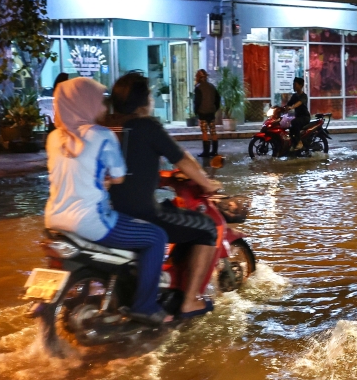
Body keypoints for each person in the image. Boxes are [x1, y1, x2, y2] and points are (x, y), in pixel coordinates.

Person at [44, 77, 170, 325]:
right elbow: (120, 176)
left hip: (53, 221)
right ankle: (145, 307)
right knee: (156, 237)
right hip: (91, 220)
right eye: (100, 103)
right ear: (84, 104)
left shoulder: (53, 138)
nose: (104, 110)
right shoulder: (102, 136)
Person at [106, 73, 223, 319]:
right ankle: (190, 301)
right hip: (144, 214)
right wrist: (207, 183)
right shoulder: (147, 126)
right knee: (208, 228)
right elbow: (182, 159)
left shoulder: (107, 125)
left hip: (108, 215)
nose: (151, 99)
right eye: (149, 95)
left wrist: (159, 177)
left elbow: (129, 166)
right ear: (142, 101)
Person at [193, 69, 221, 158]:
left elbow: (197, 101)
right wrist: (215, 108)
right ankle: (214, 151)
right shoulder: (212, 86)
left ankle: (206, 152)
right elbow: (218, 99)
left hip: (202, 112)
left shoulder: (198, 87)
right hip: (211, 112)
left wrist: (196, 111)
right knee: (213, 131)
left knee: (204, 131)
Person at [282, 77, 310, 150]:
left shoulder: (304, 96)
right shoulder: (295, 96)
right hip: (298, 117)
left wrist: (292, 107)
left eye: (295, 84)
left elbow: (299, 103)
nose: (293, 86)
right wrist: (281, 108)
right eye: (293, 84)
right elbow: (288, 104)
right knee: (290, 127)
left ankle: (299, 142)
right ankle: (293, 144)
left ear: (301, 86)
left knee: (294, 122)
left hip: (305, 117)